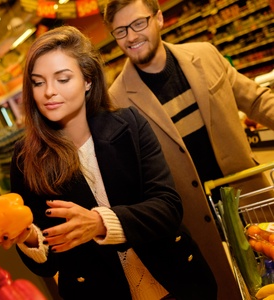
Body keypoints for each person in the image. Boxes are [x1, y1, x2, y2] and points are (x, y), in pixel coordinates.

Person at [0, 25, 217, 300]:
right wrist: (25, 236)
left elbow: (167, 207)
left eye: (63, 79)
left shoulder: (130, 124)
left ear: (88, 80)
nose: (48, 92)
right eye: (38, 82)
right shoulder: (26, 158)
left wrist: (99, 223)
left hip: (177, 284)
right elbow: (46, 263)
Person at [103, 0, 274, 298]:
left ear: (158, 19)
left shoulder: (204, 55)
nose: (131, 36)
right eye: (120, 31)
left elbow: (257, 100)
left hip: (251, 203)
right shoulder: (117, 101)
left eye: (138, 23)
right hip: (195, 228)